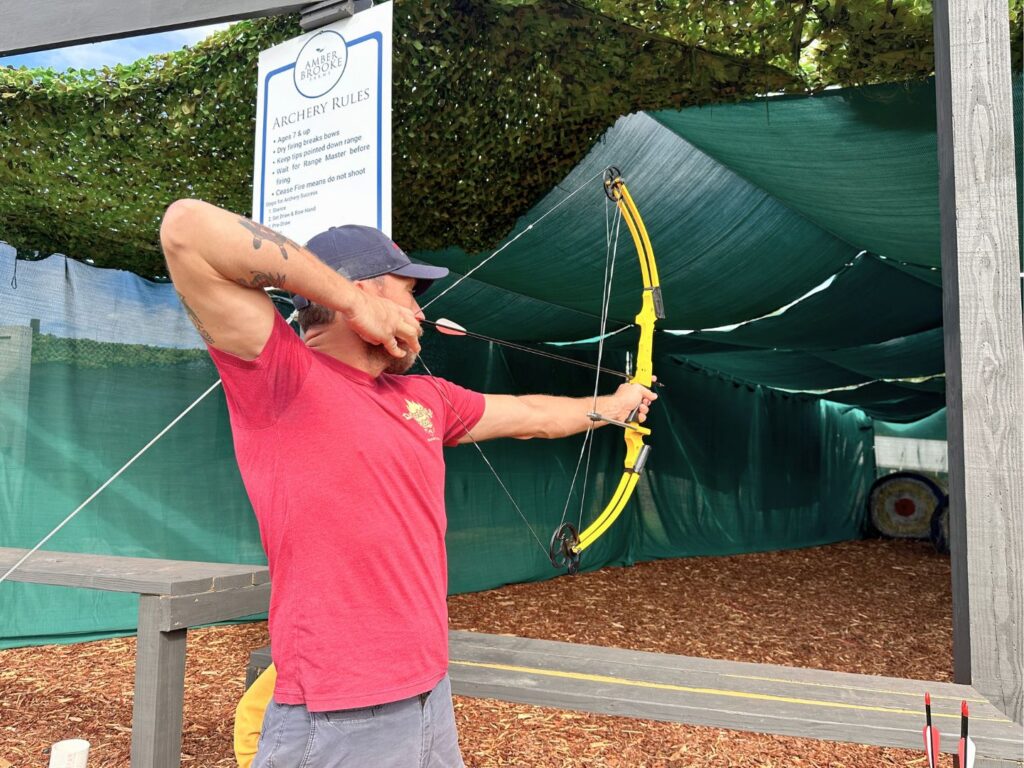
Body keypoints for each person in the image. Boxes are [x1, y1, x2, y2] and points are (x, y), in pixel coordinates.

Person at [160, 199, 656, 768]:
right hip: (336, 709)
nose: (420, 315)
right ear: (363, 293)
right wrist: (351, 302)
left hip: (429, 689)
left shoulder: (426, 398)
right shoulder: (281, 375)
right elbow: (186, 230)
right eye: (408, 294)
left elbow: (531, 416)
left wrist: (615, 406)